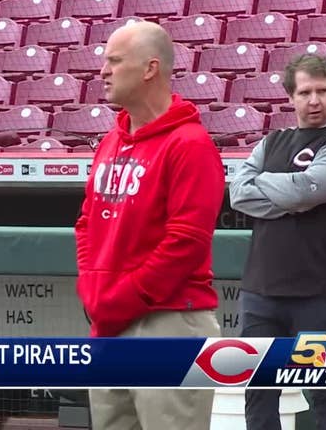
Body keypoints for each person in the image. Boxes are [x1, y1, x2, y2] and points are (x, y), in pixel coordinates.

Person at [75, 21, 225, 430]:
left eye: (114, 61)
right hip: (108, 321)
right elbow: (86, 223)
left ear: (149, 69)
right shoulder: (110, 141)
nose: (103, 70)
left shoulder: (190, 144)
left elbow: (187, 243)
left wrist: (119, 299)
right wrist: (92, 288)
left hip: (170, 320)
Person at [229, 54, 326, 430]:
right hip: (262, 292)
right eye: (305, 92)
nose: (314, 100)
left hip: (318, 295)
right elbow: (238, 193)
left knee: (324, 390)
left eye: (322, 91)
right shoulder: (273, 141)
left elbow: (307, 190)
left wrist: (278, 187)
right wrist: (291, 196)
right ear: (291, 97)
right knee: (258, 388)